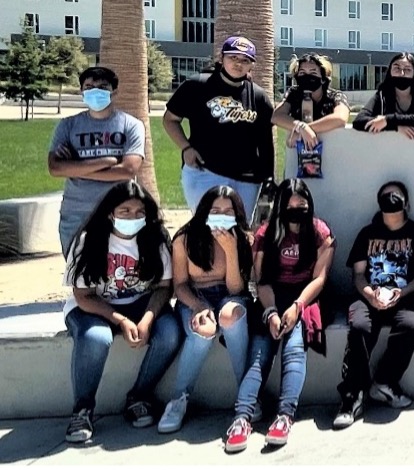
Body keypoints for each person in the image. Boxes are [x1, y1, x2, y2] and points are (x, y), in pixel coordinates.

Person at [60, 181, 180, 443]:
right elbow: (83, 295)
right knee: (96, 338)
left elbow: (163, 287)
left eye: (139, 212)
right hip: (92, 306)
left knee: (170, 333)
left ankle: (139, 396)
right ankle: (82, 409)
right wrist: (121, 320)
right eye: (125, 211)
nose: (133, 217)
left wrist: (147, 320)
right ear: (109, 212)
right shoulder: (87, 240)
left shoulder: (156, 238)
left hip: (140, 303)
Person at [227, 178, 332, 452]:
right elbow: (261, 281)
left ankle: (285, 415)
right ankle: (242, 418)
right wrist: (272, 312)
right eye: (291, 204)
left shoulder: (320, 232)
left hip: (305, 298)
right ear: (280, 206)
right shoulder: (265, 234)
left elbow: (319, 279)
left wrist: (297, 307)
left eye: (302, 204)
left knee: (294, 348)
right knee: (260, 352)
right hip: (271, 296)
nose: (297, 209)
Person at [333, 181, 414, 429]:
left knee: (410, 327)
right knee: (359, 328)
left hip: (407, 297)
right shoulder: (366, 234)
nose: (391, 199)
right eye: (386, 195)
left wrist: (401, 293)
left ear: (407, 203)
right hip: (370, 296)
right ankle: (351, 396)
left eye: (396, 195)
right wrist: (370, 295)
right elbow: (358, 275)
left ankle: (384, 382)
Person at [159, 186, 253, 434]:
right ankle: (179, 398)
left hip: (229, 294)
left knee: (230, 316)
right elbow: (179, 285)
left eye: (228, 211)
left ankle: (247, 394)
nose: (221, 215)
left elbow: (235, 289)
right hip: (194, 296)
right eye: (215, 210)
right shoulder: (184, 239)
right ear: (204, 211)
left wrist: (231, 252)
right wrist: (199, 305)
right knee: (204, 329)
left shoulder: (242, 238)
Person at [163, 36, 275, 212]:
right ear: (222, 58)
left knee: (240, 232)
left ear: (252, 64)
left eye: (245, 60)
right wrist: (186, 148)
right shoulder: (197, 85)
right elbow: (170, 119)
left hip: (247, 179)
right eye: (233, 58)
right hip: (205, 172)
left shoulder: (259, 96)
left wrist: (269, 178)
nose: (238, 64)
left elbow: (265, 143)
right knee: (206, 229)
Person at [47, 66, 146, 250]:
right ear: (81, 91)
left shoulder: (131, 125)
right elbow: (55, 168)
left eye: (102, 87)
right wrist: (105, 162)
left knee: (118, 271)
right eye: (89, 86)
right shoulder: (67, 126)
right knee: (77, 273)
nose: (95, 91)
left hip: (119, 212)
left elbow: (128, 170)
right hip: (76, 213)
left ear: (114, 91)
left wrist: (76, 168)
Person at [353, 53, 414, 140]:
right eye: (397, 68)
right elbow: (358, 121)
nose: (402, 73)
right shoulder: (382, 95)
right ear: (390, 72)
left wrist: (387, 120)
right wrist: (394, 127)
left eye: (407, 69)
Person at [274, 54, 350, 149]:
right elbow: (277, 116)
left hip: (331, 152)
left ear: (323, 78)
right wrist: (301, 127)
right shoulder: (293, 93)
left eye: (313, 73)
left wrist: (303, 131)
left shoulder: (335, 96)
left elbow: (340, 118)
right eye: (302, 73)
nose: (307, 77)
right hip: (299, 156)